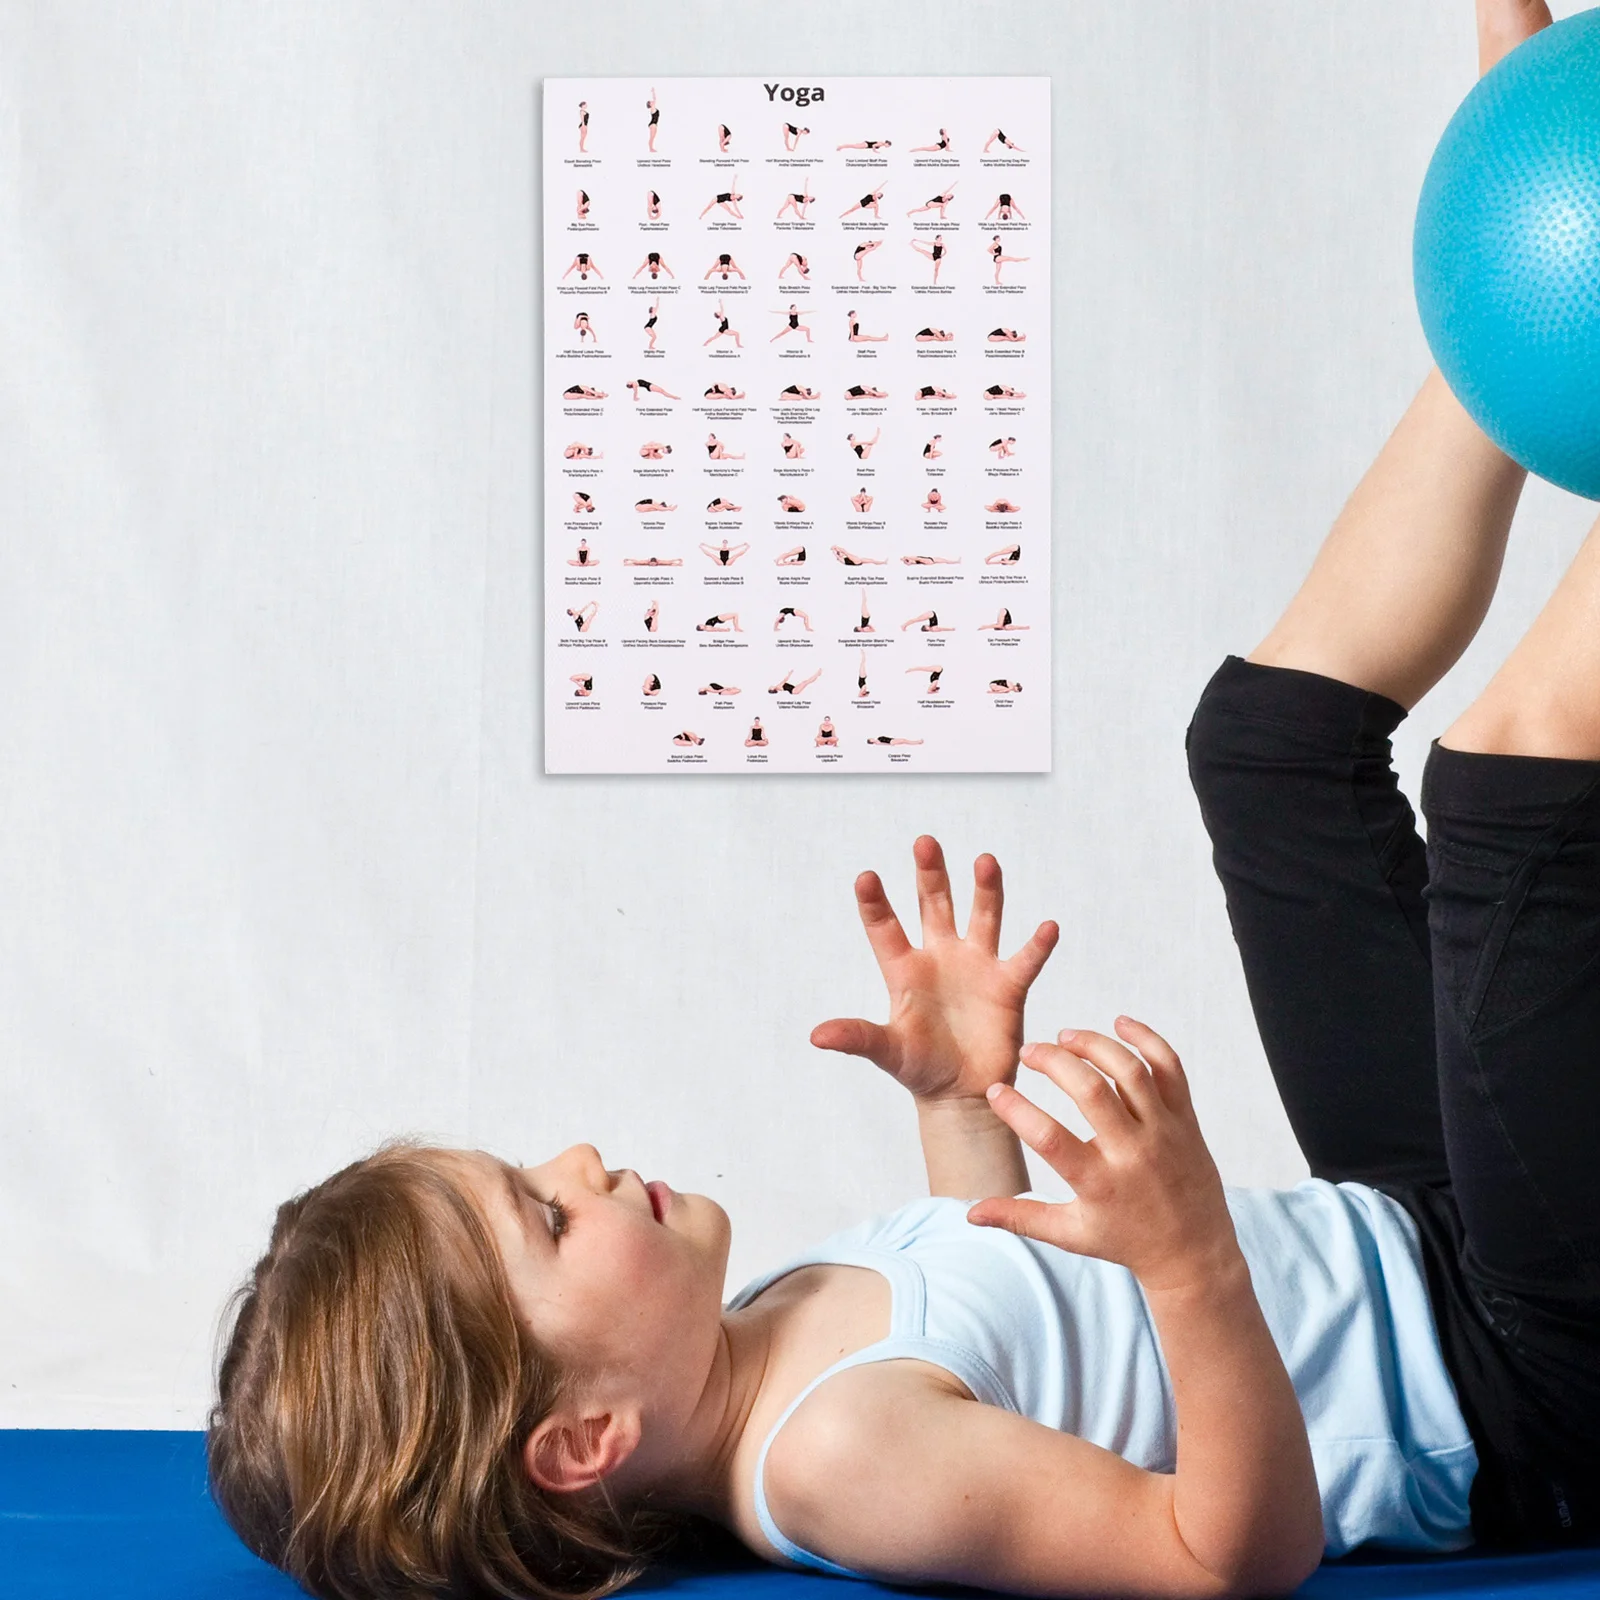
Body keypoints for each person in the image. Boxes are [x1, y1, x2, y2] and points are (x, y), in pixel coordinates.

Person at [208, 11, 1600, 1600]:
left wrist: (957, 1103)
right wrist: (1192, 1256)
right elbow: (1227, 1556)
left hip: (1414, 1248)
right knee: (1506, 787)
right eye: (541, 1213)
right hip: (1532, 1391)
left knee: (1267, 750)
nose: (580, 1156)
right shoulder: (832, 1465)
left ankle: (1535, 262)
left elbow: (1012, 1319)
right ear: (581, 1439)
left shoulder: (769, 1339)